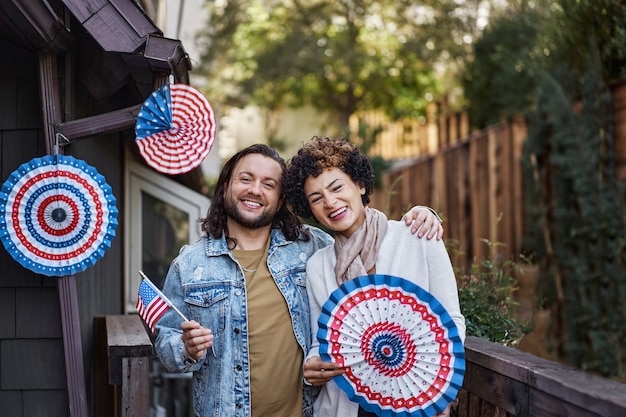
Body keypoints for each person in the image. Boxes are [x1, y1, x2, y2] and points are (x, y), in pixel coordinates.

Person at [154, 144, 444, 417]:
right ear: (226, 186)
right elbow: (166, 343)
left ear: (280, 199)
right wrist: (186, 348)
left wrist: (424, 216)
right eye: (246, 179)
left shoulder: (313, 249)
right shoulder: (190, 265)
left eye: (269, 184)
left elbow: (363, 241)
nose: (256, 190)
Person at [283, 136, 465, 417]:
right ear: (311, 210)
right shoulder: (318, 266)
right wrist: (313, 365)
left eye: (337, 187)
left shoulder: (416, 235)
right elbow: (322, 341)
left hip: (413, 401)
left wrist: (443, 392)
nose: (330, 202)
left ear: (360, 184)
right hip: (346, 404)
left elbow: (450, 319)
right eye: (316, 198)